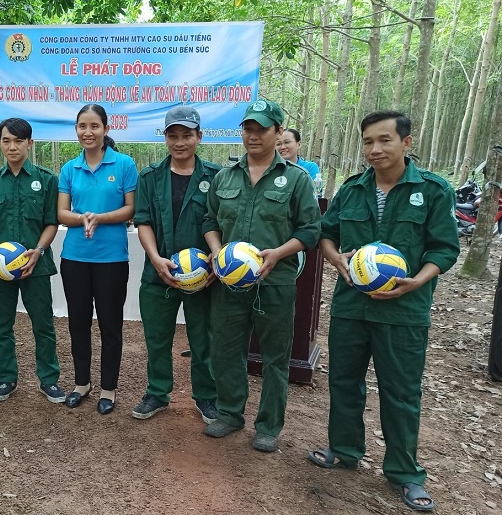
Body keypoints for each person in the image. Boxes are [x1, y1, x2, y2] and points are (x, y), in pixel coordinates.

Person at [309, 110, 459, 512]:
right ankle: (344, 449)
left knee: (402, 392)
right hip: (350, 308)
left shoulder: (432, 190)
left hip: (404, 312)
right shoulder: (353, 189)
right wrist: (336, 259)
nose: (375, 150)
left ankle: (405, 472)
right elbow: (327, 234)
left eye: (384, 140)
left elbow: (444, 248)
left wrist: (418, 280)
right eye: (368, 142)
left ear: (406, 143)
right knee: (343, 382)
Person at [202, 99, 321, 452]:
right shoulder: (225, 176)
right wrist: (215, 251)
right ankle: (229, 414)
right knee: (225, 351)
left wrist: (278, 254)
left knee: (275, 357)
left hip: (276, 282)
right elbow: (209, 221)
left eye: (262, 129)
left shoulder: (296, 179)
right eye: (248, 128)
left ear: (278, 132)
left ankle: (268, 426)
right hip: (229, 283)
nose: (252, 136)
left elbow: (311, 230)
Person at [130, 106, 220, 423]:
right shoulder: (150, 177)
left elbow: (220, 223)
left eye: (186, 135)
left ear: (199, 136)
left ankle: (207, 397)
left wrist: (214, 260)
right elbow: (143, 222)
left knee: (203, 339)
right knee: (157, 338)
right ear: (165, 138)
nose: (179, 142)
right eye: (173, 136)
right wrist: (155, 259)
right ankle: (157, 392)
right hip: (159, 275)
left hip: (204, 278)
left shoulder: (216, 176)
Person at [0, 118, 64, 403]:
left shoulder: (47, 179)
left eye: (18, 141)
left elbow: (51, 222)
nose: (12, 147)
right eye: (6, 141)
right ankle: (7, 378)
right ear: (0, 143)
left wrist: (38, 250)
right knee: (1, 325)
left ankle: (49, 379)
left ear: (30, 143)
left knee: (43, 324)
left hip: (34, 265)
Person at [58, 104, 137, 415]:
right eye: (81, 126)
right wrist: (83, 219)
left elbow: (131, 209)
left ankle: (108, 388)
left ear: (106, 129)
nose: (87, 132)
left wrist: (101, 217)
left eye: (93, 126)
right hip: (75, 257)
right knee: (77, 322)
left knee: (110, 325)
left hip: (111, 259)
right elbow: (61, 212)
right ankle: (81, 384)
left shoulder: (125, 164)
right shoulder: (69, 169)